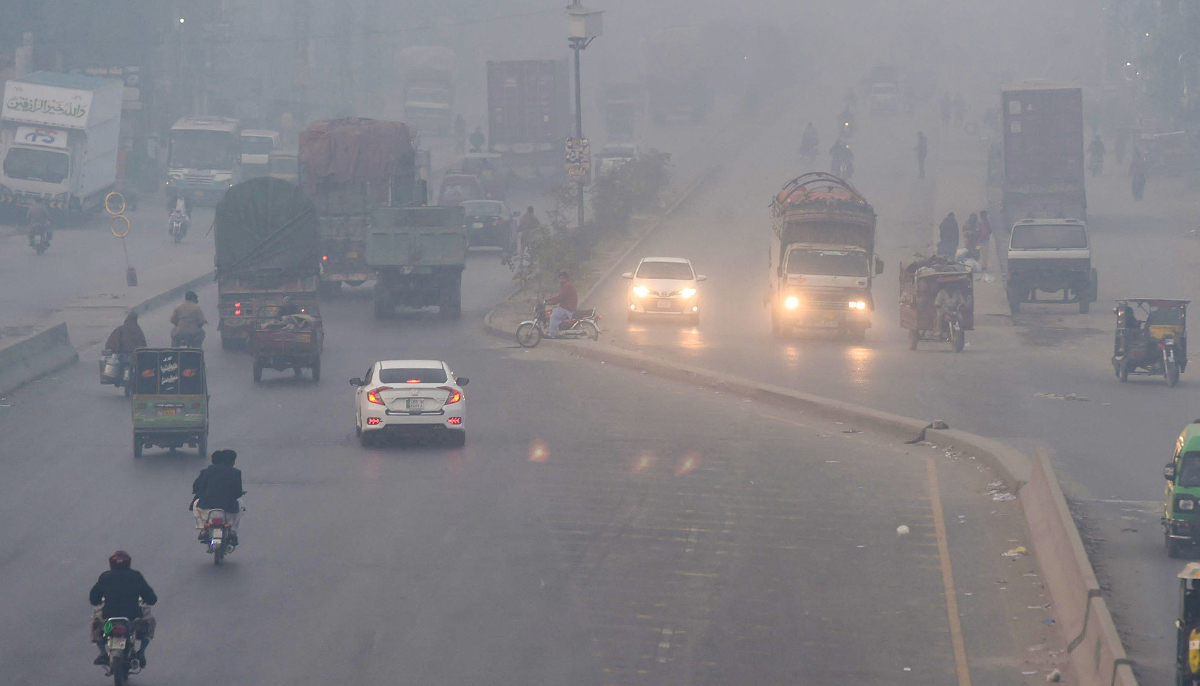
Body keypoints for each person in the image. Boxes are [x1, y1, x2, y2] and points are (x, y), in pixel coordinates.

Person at [89, 551, 157, 667]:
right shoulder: (136, 576)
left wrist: (100, 601)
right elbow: (151, 598)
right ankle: (142, 652)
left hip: (108, 618)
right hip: (133, 618)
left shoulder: (105, 577)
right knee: (150, 621)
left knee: (95, 623)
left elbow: (94, 599)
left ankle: (103, 653)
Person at [192, 449, 245, 547]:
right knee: (240, 503)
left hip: (207, 508)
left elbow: (196, 487)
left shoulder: (206, 471)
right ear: (232, 461)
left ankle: (202, 529)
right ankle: (233, 531)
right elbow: (238, 493)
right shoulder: (236, 473)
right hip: (228, 509)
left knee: (195, 503)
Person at [544, 271, 577, 339]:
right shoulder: (567, 284)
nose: (560, 280)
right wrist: (551, 300)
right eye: (560, 279)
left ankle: (551, 334)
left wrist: (551, 301)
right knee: (553, 312)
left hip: (567, 307)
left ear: (566, 279)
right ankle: (554, 330)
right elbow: (560, 296)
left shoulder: (567, 285)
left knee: (553, 316)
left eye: (562, 278)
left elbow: (561, 297)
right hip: (567, 306)